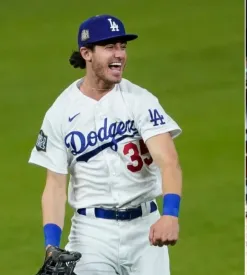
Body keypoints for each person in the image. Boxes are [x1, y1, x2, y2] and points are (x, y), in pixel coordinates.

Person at [28, 14, 183, 275]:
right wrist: (51, 246)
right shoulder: (60, 112)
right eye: (110, 47)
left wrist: (170, 213)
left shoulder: (140, 101)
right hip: (91, 235)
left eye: (122, 47)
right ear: (86, 53)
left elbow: (169, 161)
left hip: (145, 229)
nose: (119, 54)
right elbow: (54, 185)